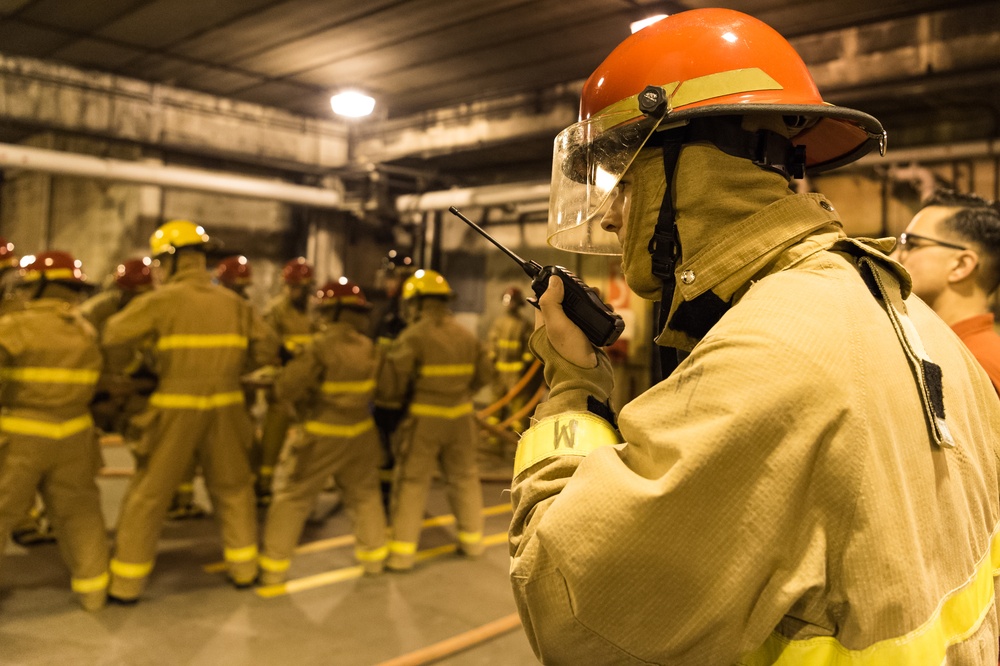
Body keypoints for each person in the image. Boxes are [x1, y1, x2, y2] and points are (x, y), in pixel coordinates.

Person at [508, 9, 1000, 664]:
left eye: (622, 184)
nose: (609, 220)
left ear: (677, 174)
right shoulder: (899, 305)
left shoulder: (773, 353)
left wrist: (571, 389)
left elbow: (570, 612)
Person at [102, 219, 279, 602]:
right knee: (233, 490)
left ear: (169, 260)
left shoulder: (160, 300)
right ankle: (244, 568)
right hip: (229, 408)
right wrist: (236, 370)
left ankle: (126, 583)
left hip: (175, 409)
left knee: (149, 495)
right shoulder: (234, 303)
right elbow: (267, 348)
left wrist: (133, 366)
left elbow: (112, 334)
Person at [258, 279, 387, 584]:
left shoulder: (319, 346)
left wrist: (277, 386)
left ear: (331, 311)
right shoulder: (369, 347)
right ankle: (374, 561)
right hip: (362, 436)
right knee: (364, 497)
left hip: (321, 436)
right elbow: (385, 390)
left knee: (293, 498)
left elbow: (287, 387)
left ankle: (273, 570)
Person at [0, 251, 109, 611]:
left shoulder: (13, 327)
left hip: (22, 436)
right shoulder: (85, 330)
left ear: (39, 285)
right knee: (80, 513)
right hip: (76, 434)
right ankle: (93, 591)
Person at [375, 269, 492, 571]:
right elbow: (485, 374)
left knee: (412, 483)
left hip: (424, 420)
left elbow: (392, 386)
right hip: (462, 418)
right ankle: (472, 541)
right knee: (465, 478)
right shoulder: (466, 335)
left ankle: (401, 555)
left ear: (415, 302)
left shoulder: (413, 336)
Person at [893, 189, 1000, 392]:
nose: (895, 255)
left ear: (961, 265)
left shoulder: (972, 365)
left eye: (911, 244)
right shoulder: (963, 353)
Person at [256, 257, 317, 505]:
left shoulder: (315, 311)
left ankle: (303, 482)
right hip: (283, 382)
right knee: (274, 433)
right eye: (290, 287)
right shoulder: (275, 310)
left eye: (298, 287)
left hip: (309, 382)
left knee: (311, 435)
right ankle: (263, 483)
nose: (293, 292)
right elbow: (268, 345)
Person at [486, 286, 535, 433]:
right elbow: (492, 342)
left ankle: (517, 433)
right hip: (500, 371)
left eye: (513, 302)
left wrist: (526, 362)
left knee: (518, 403)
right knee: (496, 401)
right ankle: (494, 431)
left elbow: (529, 346)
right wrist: (491, 358)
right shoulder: (499, 322)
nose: (510, 305)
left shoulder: (524, 324)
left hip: (516, 372)